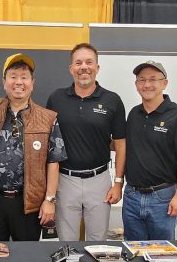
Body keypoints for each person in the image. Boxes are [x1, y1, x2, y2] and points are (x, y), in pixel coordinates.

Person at [0, 53, 67, 241]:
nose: (19, 82)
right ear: (4, 81)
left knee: (27, 261)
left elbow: (54, 161)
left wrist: (49, 200)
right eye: (13, 76)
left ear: (32, 83)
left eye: (24, 77)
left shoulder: (48, 119)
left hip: (28, 203)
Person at [45, 43, 126, 241]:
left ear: (97, 68)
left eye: (89, 62)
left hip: (100, 181)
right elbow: (49, 144)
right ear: (71, 68)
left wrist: (118, 183)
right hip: (65, 181)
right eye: (78, 62)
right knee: (66, 242)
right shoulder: (56, 98)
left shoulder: (112, 100)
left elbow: (121, 144)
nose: (84, 67)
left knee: (98, 242)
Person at [123, 61, 177, 241]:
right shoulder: (133, 114)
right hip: (132, 196)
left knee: (162, 255)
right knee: (133, 252)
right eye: (142, 80)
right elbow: (124, 146)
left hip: (162, 198)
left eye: (153, 79)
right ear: (136, 85)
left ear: (165, 83)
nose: (147, 84)